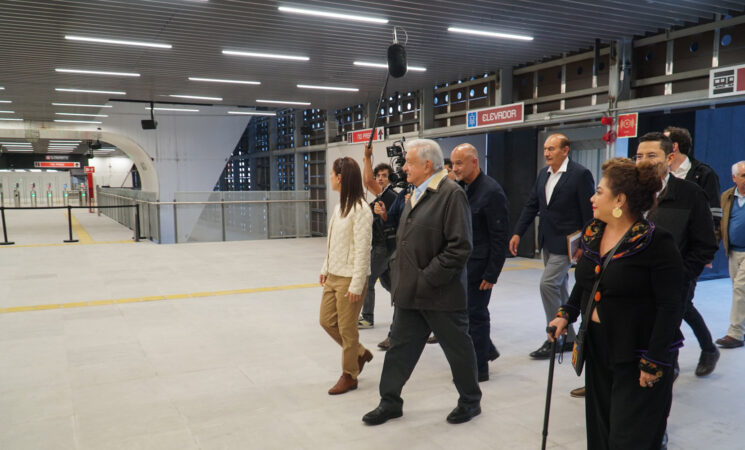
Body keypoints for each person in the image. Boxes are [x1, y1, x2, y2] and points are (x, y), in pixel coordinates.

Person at [548, 157, 684, 450]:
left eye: (598, 192)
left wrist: (655, 360)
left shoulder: (656, 242)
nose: (592, 198)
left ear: (619, 199)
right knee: (600, 427)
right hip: (598, 345)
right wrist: (566, 313)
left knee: (629, 436)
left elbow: (671, 306)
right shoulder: (594, 231)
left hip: (638, 352)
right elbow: (587, 281)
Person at [362, 139, 482, 425]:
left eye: (409, 163)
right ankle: (389, 401)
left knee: (458, 351)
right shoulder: (415, 193)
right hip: (411, 294)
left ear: (428, 165)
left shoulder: (451, 194)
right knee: (399, 350)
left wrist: (427, 278)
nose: (403, 168)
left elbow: (459, 248)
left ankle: (470, 401)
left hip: (441, 294)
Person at [639, 132, 719, 377]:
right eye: (639, 156)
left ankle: (679, 362)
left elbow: (705, 243)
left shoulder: (691, 193)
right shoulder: (630, 193)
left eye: (652, 155)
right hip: (637, 283)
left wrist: (682, 274)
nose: (643, 161)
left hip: (675, 281)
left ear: (670, 157)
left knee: (674, 320)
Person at [510, 133, 595, 358]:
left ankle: (555, 335)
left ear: (565, 150)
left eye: (552, 149)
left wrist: (585, 245)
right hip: (547, 241)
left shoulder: (580, 175)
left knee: (547, 285)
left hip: (568, 244)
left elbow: (589, 214)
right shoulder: (543, 174)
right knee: (559, 287)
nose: (546, 153)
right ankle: (569, 338)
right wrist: (518, 232)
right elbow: (531, 205)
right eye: (545, 149)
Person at [450, 143, 509, 381]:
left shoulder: (491, 191)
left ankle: (480, 369)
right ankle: (486, 350)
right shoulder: (463, 188)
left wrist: (492, 273)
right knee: (465, 315)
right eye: (453, 163)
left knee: (476, 315)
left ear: (474, 162)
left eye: (459, 163)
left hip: (480, 268)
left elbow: (499, 236)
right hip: (465, 266)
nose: (455, 168)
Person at [319, 157, 373, 395]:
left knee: (347, 329)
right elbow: (333, 243)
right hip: (333, 274)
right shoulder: (340, 206)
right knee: (326, 321)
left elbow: (363, 250)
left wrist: (357, 284)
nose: (329, 178)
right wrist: (325, 268)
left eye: (331, 174)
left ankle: (349, 375)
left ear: (340, 178)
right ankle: (360, 353)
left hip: (350, 278)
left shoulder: (361, 210)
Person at [359, 145, 398, 329]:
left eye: (384, 175)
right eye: (378, 175)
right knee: (389, 283)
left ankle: (367, 317)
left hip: (384, 247)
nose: (380, 178)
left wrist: (367, 157)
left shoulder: (390, 194)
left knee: (367, 280)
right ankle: (411, 307)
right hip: (382, 246)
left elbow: (367, 181)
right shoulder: (382, 197)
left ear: (390, 177)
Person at [664, 126, 722, 234]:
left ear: (674, 146)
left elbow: (715, 213)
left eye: (663, 142)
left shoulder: (705, 173)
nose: (659, 146)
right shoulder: (661, 174)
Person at [716, 160, 745, 349]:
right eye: (743, 175)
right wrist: (708, 250)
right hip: (733, 252)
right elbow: (720, 226)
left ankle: (735, 334)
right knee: (739, 289)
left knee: (740, 289)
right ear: (734, 178)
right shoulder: (726, 197)